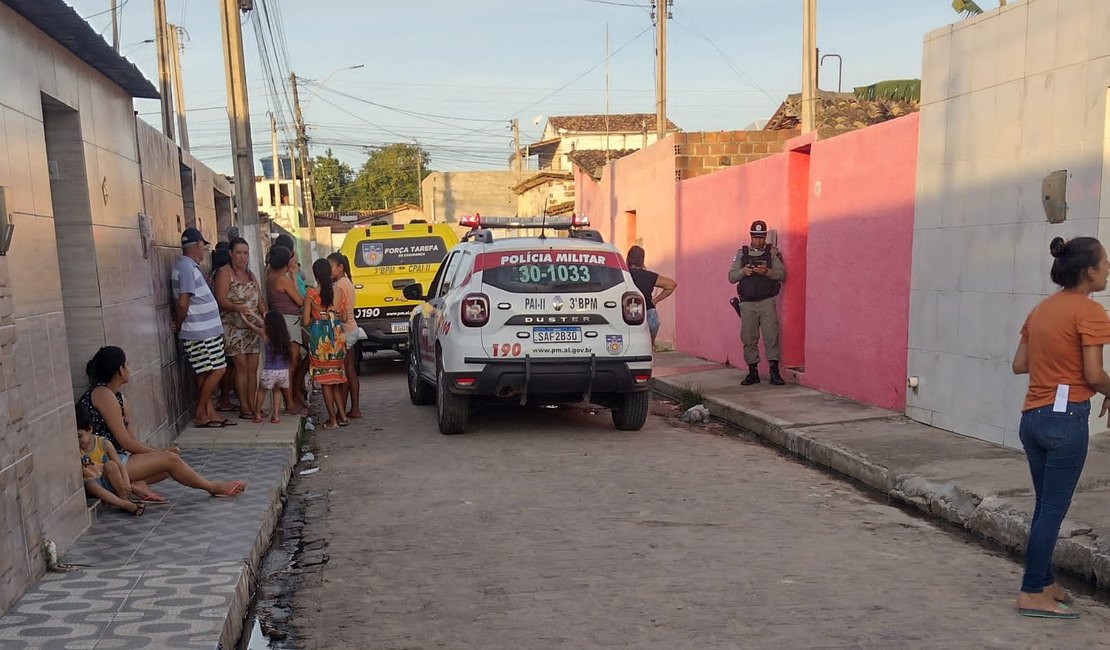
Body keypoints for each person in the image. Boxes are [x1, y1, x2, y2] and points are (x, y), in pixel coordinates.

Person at [1010, 236, 1110, 619]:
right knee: (1052, 510)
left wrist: (1054, 364)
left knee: (1044, 508)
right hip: (1065, 421)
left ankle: (1045, 579)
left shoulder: (1040, 310)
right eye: (1104, 263)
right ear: (1089, 271)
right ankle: (1032, 591)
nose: (1107, 270)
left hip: (1032, 418)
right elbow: (1094, 374)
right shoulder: (1090, 311)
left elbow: (1020, 364)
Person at [78, 346, 249, 499]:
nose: (129, 369)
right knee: (170, 461)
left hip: (121, 458)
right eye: (126, 365)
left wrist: (158, 454)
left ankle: (135, 484)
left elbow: (132, 440)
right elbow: (125, 442)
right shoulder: (102, 394)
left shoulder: (118, 397)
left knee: (168, 466)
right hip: (105, 465)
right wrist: (160, 453)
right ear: (120, 370)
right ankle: (212, 487)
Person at [172, 227, 235, 428]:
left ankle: (209, 411)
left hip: (204, 330)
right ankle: (201, 411)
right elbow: (183, 302)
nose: (204, 251)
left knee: (205, 372)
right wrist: (180, 323)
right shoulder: (187, 268)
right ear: (198, 245)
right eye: (203, 246)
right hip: (200, 332)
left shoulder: (188, 267)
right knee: (218, 369)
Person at [727, 220, 786, 386]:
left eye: (761, 237)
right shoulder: (742, 253)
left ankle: (774, 372)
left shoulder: (772, 253)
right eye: (755, 237)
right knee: (748, 337)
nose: (758, 241)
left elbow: (782, 275)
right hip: (747, 304)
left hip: (766, 302)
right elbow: (731, 277)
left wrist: (766, 272)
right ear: (750, 236)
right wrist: (743, 272)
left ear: (765, 237)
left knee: (771, 336)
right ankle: (753, 372)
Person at [214, 237, 266, 421]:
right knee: (241, 367)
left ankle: (253, 406)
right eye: (239, 253)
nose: (242, 257)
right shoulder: (225, 273)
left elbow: (260, 301)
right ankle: (244, 406)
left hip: (252, 328)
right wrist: (237, 308)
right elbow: (220, 299)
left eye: (245, 253)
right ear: (231, 254)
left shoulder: (250, 275)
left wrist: (266, 317)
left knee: (253, 368)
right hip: (233, 327)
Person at [304, 258, 349, 429]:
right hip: (337, 337)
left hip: (320, 338)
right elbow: (344, 318)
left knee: (325, 381)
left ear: (315, 275)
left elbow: (306, 320)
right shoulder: (340, 291)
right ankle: (343, 415)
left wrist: (318, 316)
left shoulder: (311, 294)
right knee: (335, 378)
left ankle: (333, 419)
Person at [77, 404, 145, 517]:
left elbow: (119, 465)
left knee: (111, 464)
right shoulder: (75, 450)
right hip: (94, 484)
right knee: (89, 485)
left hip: (108, 479)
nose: (78, 441)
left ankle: (124, 497)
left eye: (80, 436)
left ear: (89, 429)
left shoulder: (103, 443)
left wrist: (126, 481)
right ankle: (124, 504)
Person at [266, 245, 307, 414]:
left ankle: (292, 398)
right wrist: (292, 275)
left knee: (287, 363)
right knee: (290, 364)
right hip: (289, 321)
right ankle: (290, 402)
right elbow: (299, 301)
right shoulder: (282, 279)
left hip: (280, 321)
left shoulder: (270, 276)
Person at [328, 252, 362, 419]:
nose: (329, 271)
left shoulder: (340, 285)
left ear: (340, 267)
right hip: (352, 328)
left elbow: (337, 309)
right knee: (350, 371)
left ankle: (343, 411)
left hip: (345, 331)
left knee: (345, 373)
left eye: (331, 267)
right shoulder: (346, 281)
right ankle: (353, 408)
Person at [625, 245, 677, 348]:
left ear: (628, 259)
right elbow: (671, 285)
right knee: (653, 321)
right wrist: (656, 300)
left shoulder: (623, 275)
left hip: (627, 314)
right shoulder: (649, 276)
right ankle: (650, 345)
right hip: (648, 313)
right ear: (642, 260)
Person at [210, 246, 237, 413]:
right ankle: (224, 398)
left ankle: (223, 397)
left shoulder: (211, 276)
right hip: (223, 324)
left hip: (218, 324)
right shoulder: (221, 276)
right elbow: (222, 301)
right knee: (227, 364)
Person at [253, 311, 292, 424]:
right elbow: (263, 322)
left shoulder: (265, 334)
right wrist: (254, 315)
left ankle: (257, 414)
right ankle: (276, 416)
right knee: (277, 391)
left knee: (261, 391)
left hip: (269, 370)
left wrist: (246, 318)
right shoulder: (284, 335)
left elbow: (253, 327)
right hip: (283, 371)